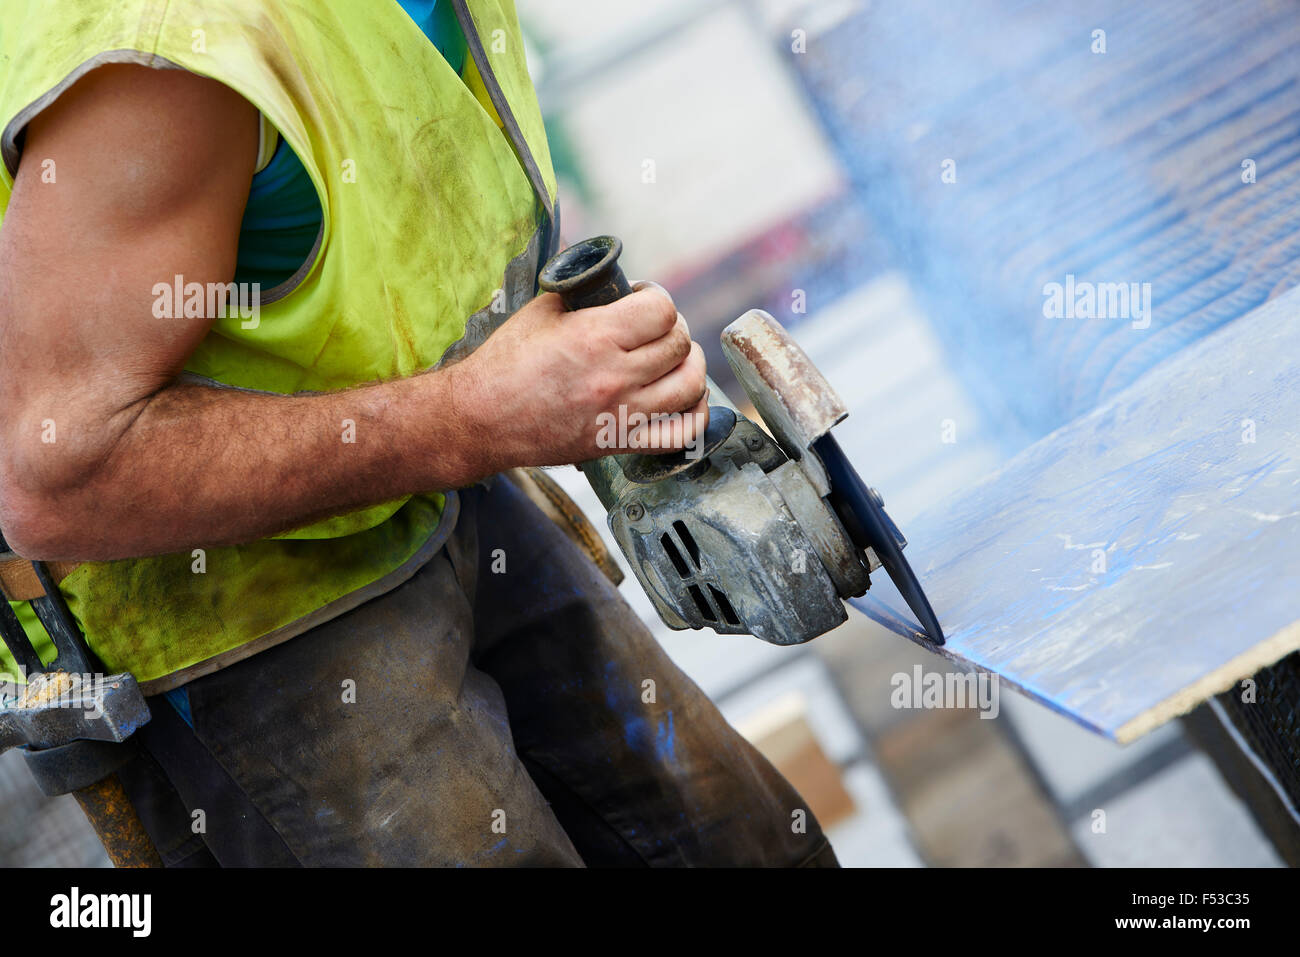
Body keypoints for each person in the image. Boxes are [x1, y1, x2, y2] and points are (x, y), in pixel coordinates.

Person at [0, 0, 838, 866]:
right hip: (243, 620)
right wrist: (475, 415)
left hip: (444, 490)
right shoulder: (163, 43)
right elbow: (56, 471)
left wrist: (566, 386)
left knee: (750, 844)